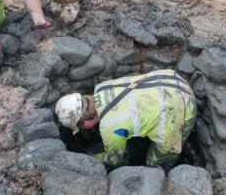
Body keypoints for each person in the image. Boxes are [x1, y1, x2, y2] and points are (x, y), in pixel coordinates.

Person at [55, 69, 196, 172]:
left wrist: (92, 158)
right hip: (171, 79)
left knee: (155, 166)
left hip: (181, 107)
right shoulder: (102, 87)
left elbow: (116, 159)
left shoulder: (110, 128)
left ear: (84, 123)